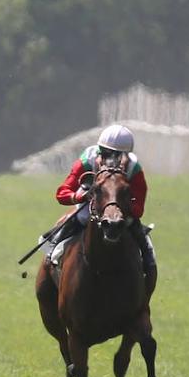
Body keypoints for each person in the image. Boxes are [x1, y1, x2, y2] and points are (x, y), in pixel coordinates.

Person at [43, 124, 156, 294]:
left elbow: (139, 208)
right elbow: (62, 193)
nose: (111, 159)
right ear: (99, 150)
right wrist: (80, 197)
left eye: (117, 155)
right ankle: (52, 250)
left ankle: (148, 261)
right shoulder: (87, 159)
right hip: (91, 203)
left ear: (126, 155)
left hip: (120, 210)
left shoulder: (134, 168)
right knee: (81, 217)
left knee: (136, 227)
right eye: (106, 153)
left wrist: (122, 204)